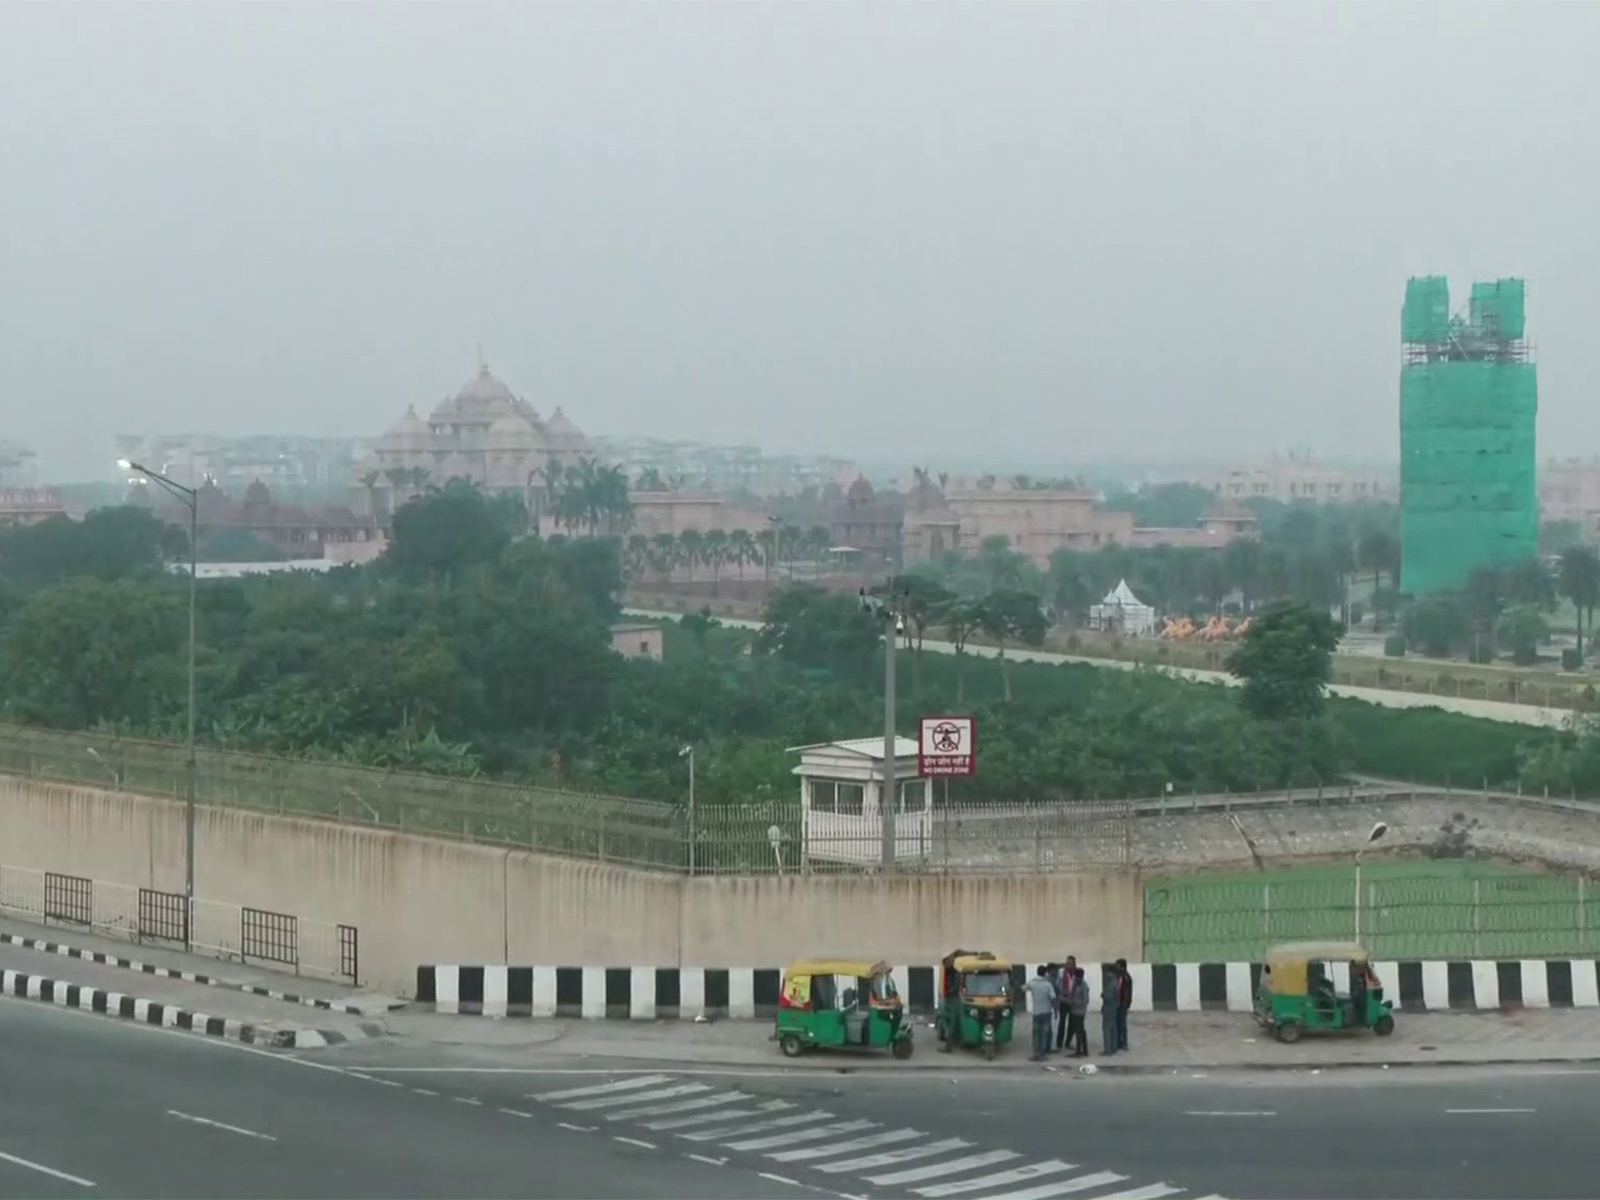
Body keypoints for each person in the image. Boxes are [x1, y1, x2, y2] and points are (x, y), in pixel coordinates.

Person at [1026, 966, 1056, 1063]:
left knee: (1036, 1034)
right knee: (1044, 1034)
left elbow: (1023, 988)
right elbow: (1053, 998)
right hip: (1046, 1012)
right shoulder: (1047, 985)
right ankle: (1043, 1054)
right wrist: (1055, 1010)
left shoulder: (1032, 983)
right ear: (1045, 973)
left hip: (1036, 1012)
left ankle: (1036, 1054)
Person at [1055, 955, 1078, 1052]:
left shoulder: (1076, 973)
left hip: (1073, 1000)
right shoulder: (1061, 972)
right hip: (1063, 999)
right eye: (1067, 963)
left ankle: (1068, 1042)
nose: (1069, 965)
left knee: (1072, 1023)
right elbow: (1057, 985)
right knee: (1062, 1022)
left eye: (1071, 963)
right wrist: (1063, 993)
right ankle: (1059, 1043)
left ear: (1074, 964)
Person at [1066, 967, 1090, 1056]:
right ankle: (1083, 1050)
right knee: (1080, 1030)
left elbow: (1086, 1000)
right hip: (1074, 1010)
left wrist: (1075, 1002)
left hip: (1079, 1011)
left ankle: (1079, 1051)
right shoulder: (1076, 984)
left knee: (1079, 1031)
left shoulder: (1084, 986)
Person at [1100, 964, 1119, 1055]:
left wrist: (1103, 995)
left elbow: (1108, 996)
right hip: (1114, 1007)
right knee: (1113, 1028)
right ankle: (1113, 1047)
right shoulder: (1115, 981)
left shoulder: (1111, 983)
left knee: (1107, 1028)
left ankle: (1108, 1049)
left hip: (1109, 1007)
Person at [1115, 958, 1132, 1051]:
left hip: (1122, 1003)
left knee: (1122, 1024)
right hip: (1118, 1003)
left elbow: (1127, 992)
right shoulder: (1118, 976)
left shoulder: (1126, 977)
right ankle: (1119, 1042)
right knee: (1117, 1023)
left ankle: (1124, 1042)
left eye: (1117, 966)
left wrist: (1126, 1003)